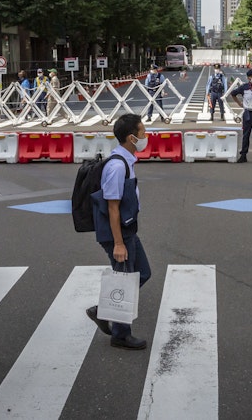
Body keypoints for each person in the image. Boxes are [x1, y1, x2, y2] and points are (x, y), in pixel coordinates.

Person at [85, 113, 152, 350]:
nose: (146, 136)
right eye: (143, 133)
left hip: (127, 230)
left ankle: (104, 311)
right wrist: (118, 244)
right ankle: (121, 335)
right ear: (131, 138)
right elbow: (112, 207)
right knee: (125, 280)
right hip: (118, 234)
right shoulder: (116, 166)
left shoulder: (127, 161)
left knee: (142, 273)